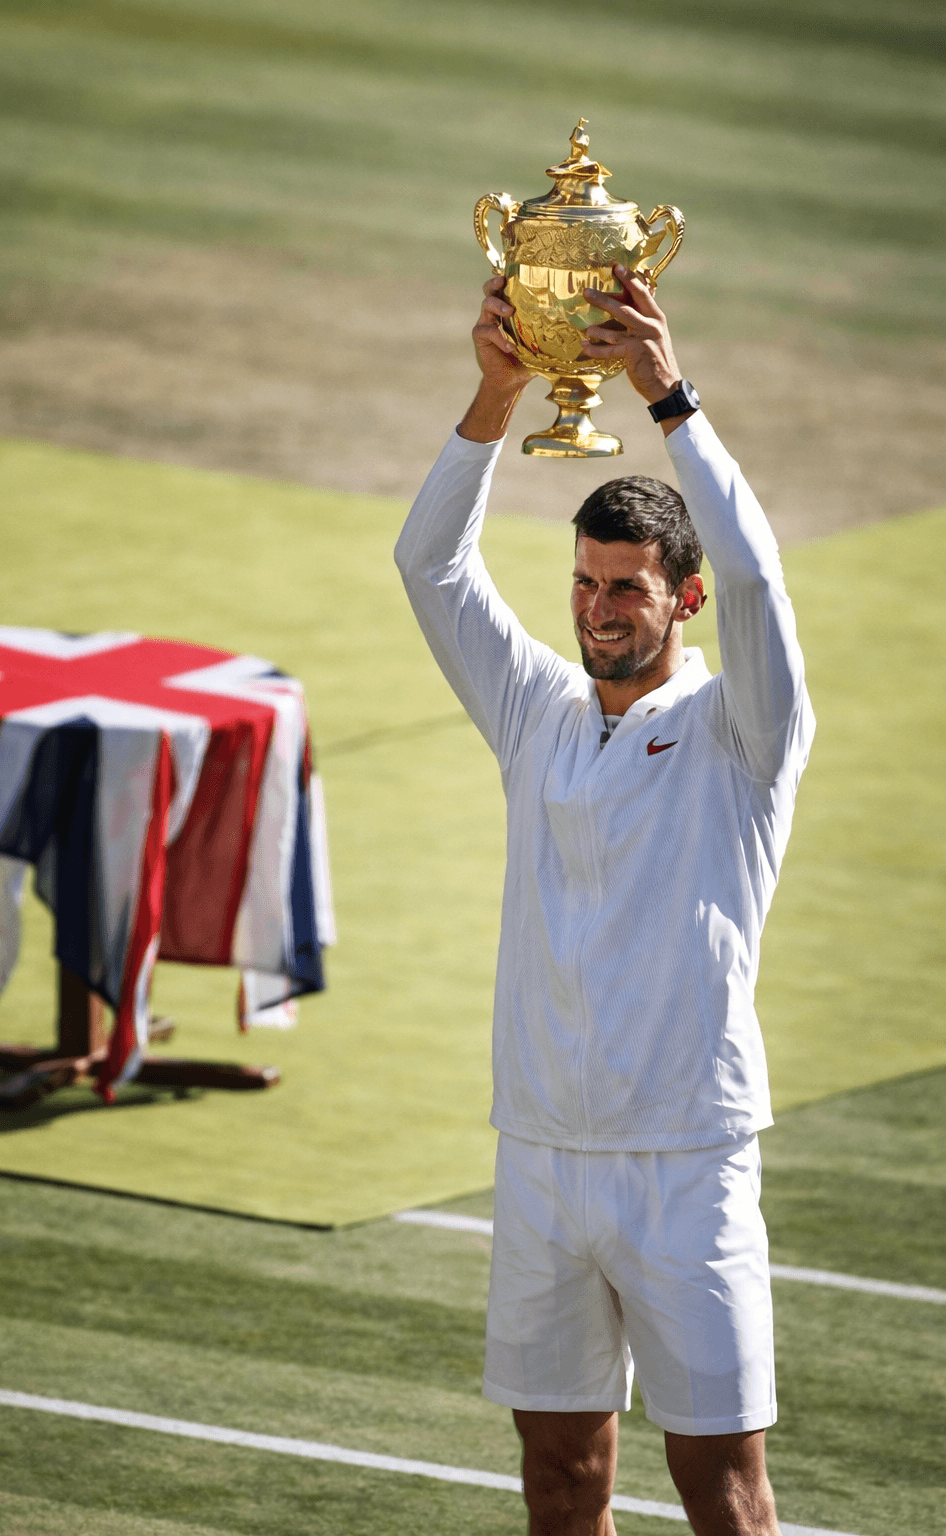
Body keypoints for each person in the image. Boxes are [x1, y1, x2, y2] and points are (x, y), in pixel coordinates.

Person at [394, 264, 815, 1536]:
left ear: (678, 599)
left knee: (720, 1489)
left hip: (686, 1160)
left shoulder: (748, 727)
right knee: (560, 1474)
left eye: (624, 587)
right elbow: (429, 566)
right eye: (583, 583)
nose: (594, 611)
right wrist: (492, 394)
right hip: (538, 1155)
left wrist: (670, 398)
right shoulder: (533, 707)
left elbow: (757, 581)